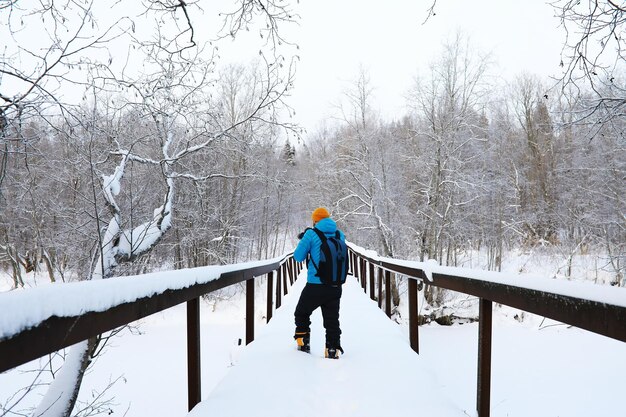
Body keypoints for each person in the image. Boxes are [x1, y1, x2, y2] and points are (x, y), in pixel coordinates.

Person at [293, 207, 346, 359]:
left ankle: (303, 344)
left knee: (301, 313)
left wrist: (305, 240)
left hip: (315, 286)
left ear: (315, 220)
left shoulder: (311, 234)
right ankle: (332, 350)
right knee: (332, 320)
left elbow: (298, 257)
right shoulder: (339, 234)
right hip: (335, 286)